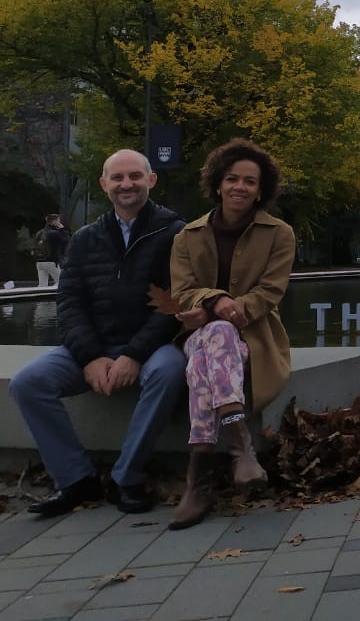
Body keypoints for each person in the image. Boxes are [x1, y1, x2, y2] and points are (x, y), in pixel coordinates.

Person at [10, 150, 186, 517]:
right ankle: (75, 480)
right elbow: (70, 303)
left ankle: (126, 477)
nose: (127, 184)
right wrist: (90, 357)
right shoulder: (86, 238)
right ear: (104, 185)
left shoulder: (175, 234)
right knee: (28, 382)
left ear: (150, 181)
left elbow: (173, 306)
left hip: (152, 347)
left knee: (169, 371)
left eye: (135, 176)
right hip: (95, 347)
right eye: (117, 178)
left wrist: (134, 354)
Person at [167, 139, 295, 530]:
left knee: (204, 362)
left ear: (261, 189)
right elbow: (182, 291)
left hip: (254, 335)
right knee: (216, 332)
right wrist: (215, 299)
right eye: (232, 179)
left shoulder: (279, 234)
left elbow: (271, 291)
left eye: (250, 182)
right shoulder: (187, 236)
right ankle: (240, 447)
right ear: (218, 184)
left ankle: (198, 480)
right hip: (197, 332)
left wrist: (232, 309)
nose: (240, 187)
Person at [34, 213, 71, 287]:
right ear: (54, 222)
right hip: (51, 262)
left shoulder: (40, 232)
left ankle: (42, 298)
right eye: (58, 221)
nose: (60, 223)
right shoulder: (54, 233)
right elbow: (66, 241)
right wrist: (62, 229)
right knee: (62, 282)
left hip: (39, 262)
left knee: (42, 286)